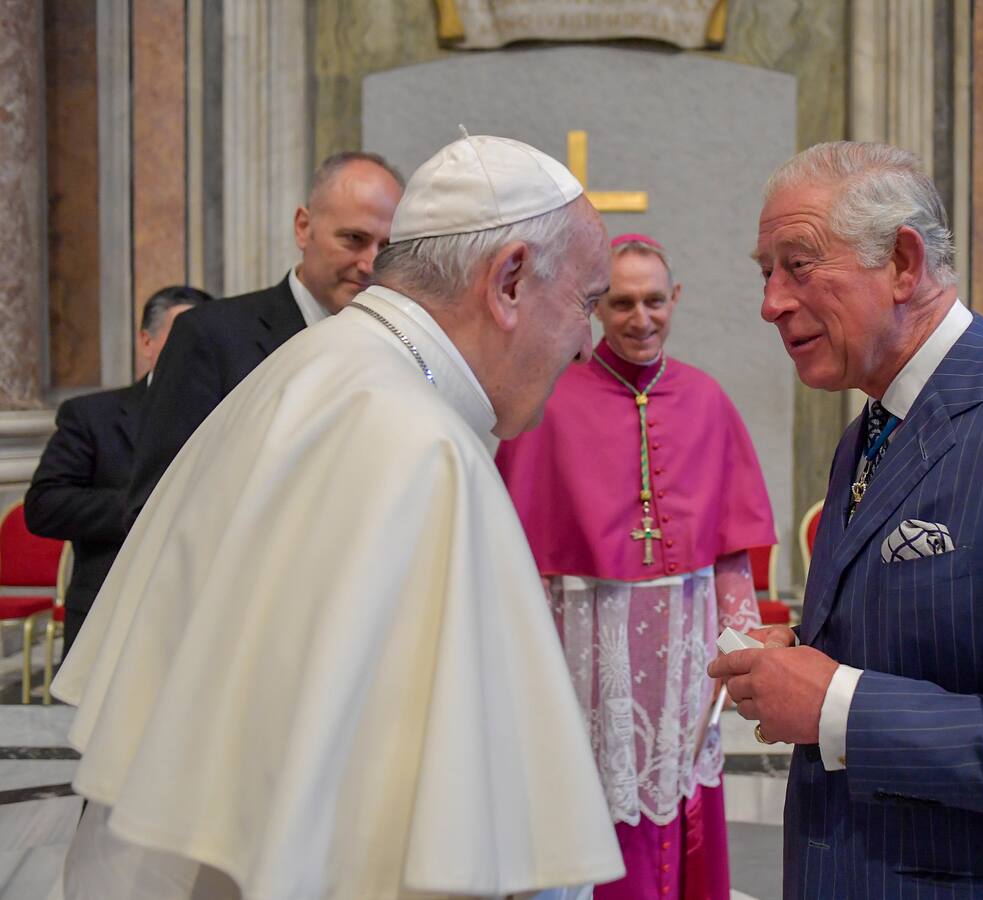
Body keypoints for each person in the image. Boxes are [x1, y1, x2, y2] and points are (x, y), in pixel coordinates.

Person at [49, 134, 624, 900]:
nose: (587, 346)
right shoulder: (420, 446)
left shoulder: (322, 366)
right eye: (586, 303)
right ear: (510, 279)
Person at [709, 141, 983, 898]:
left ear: (903, 263)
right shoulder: (867, 430)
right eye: (766, 271)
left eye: (798, 263)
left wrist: (836, 704)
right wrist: (801, 657)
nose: (771, 303)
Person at [494, 234, 775, 899]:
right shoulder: (552, 404)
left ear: (675, 299)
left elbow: (730, 551)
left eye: (654, 301)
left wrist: (741, 648)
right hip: (590, 656)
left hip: (684, 653)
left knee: (678, 798)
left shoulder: (707, 401)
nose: (640, 318)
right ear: (598, 308)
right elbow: (524, 562)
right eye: (621, 303)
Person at [124, 151, 405, 525]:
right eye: (353, 239)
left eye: (386, 247)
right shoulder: (211, 337)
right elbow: (157, 507)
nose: (370, 264)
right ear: (303, 227)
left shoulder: (400, 349)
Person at [25, 285, 212, 658]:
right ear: (146, 342)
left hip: (204, 617)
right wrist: (150, 510)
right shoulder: (93, 416)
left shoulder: (239, 416)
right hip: (110, 614)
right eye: (180, 338)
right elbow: (46, 505)